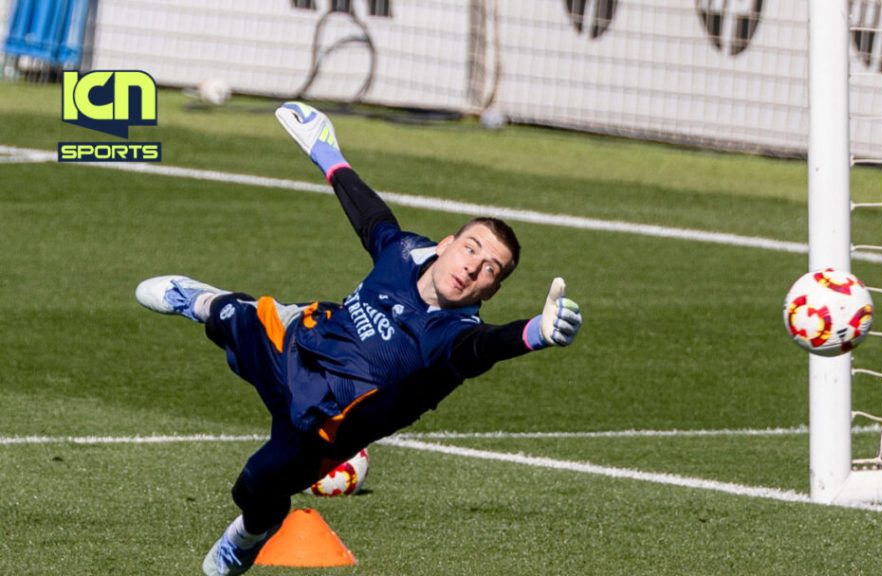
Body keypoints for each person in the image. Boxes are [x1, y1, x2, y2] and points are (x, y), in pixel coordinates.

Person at [134, 102, 583, 576]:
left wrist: (534, 334)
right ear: (447, 244)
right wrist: (326, 153)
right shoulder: (405, 252)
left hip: (322, 428)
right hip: (300, 344)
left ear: (491, 291)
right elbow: (371, 218)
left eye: (490, 269)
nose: (473, 267)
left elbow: (483, 349)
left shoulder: (453, 337)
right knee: (231, 314)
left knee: (254, 490)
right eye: (471, 248)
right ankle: (199, 299)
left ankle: (246, 537)